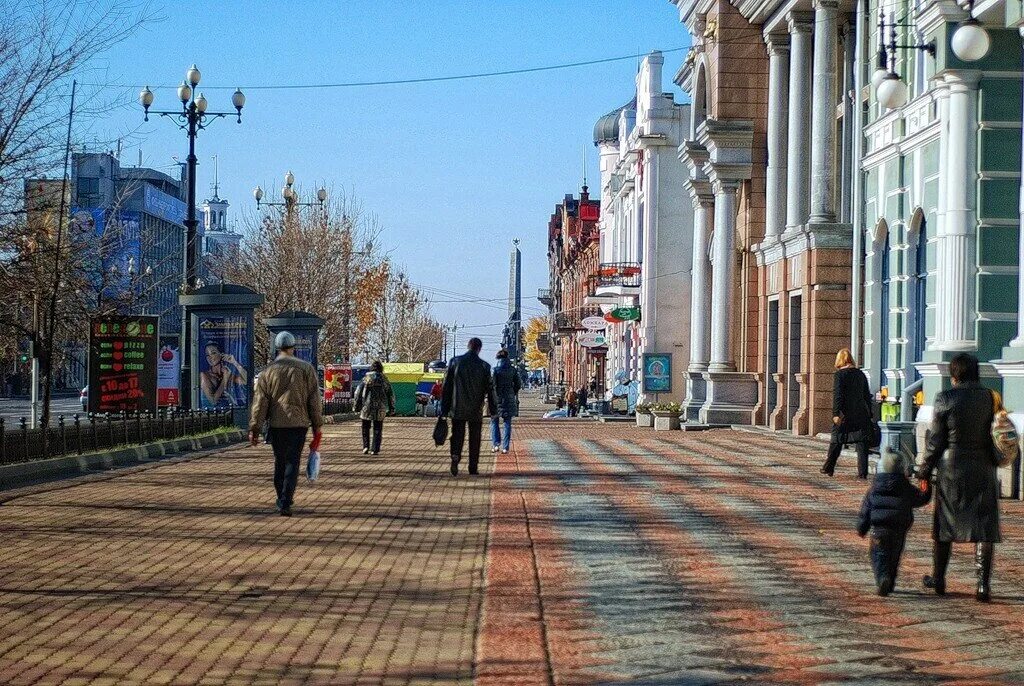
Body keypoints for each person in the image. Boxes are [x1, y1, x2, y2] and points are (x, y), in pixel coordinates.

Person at [919, 353, 1002, 602]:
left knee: (945, 524)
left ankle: (939, 579)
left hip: (951, 468)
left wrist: (924, 469)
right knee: (984, 525)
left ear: (955, 374)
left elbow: (936, 441)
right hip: (983, 466)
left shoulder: (945, 398)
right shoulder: (990, 397)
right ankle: (982, 586)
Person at [249, 331, 323, 517]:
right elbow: (314, 400)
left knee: (279, 461)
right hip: (299, 424)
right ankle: (286, 500)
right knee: (293, 461)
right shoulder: (306, 369)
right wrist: (317, 425)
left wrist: (255, 428)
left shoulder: (268, 372)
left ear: (276, 348)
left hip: (277, 424)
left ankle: (281, 497)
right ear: (293, 347)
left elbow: (260, 403)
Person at [857, 450, 932, 596]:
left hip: (879, 530)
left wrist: (861, 528)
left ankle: (882, 578)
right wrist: (926, 484)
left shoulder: (873, 490)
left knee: (878, 555)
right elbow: (921, 498)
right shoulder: (906, 488)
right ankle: (890, 580)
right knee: (894, 556)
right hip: (899, 529)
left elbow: (865, 511)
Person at [441, 337, 497, 476]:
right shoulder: (484, 366)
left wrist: (444, 409)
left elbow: (446, 387)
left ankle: (455, 456)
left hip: (457, 407)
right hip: (475, 408)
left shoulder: (455, 362)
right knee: (475, 438)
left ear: (468, 346)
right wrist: (494, 411)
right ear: (479, 349)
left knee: (457, 435)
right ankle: (473, 466)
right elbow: (490, 390)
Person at [821, 348, 873, 479]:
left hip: (845, 413)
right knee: (862, 442)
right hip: (861, 412)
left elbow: (838, 395)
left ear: (840, 360)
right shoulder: (860, 374)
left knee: (837, 439)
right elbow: (867, 394)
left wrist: (836, 413)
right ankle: (863, 473)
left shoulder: (840, 375)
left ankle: (829, 467)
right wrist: (870, 412)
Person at [354, 360, 395, 455]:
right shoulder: (384, 379)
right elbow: (391, 394)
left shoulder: (366, 378)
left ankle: (366, 446)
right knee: (378, 428)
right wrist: (392, 408)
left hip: (366, 407)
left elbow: (358, 392)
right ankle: (375, 449)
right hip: (380, 407)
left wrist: (356, 406)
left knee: (365, 427)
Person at [491, 349, 521, 454]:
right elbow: (518, 384)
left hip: (496, 399)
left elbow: (492, 385)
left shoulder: (495, 370)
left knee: (494, 421)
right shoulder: (513, 370)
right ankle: (506, 447)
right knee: (507, 423)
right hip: (509, 398)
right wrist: (513, 392)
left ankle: (496, 444)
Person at [200, 342, 248, 408]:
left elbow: (246, 381)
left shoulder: (226, 373)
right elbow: (213, 401)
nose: (210, 357)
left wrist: (234, 362)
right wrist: (225, 379)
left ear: (221, 354)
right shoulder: (205, 375)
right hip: (212, 415)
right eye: (207, 355)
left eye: (213, 353)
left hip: (228, 412)